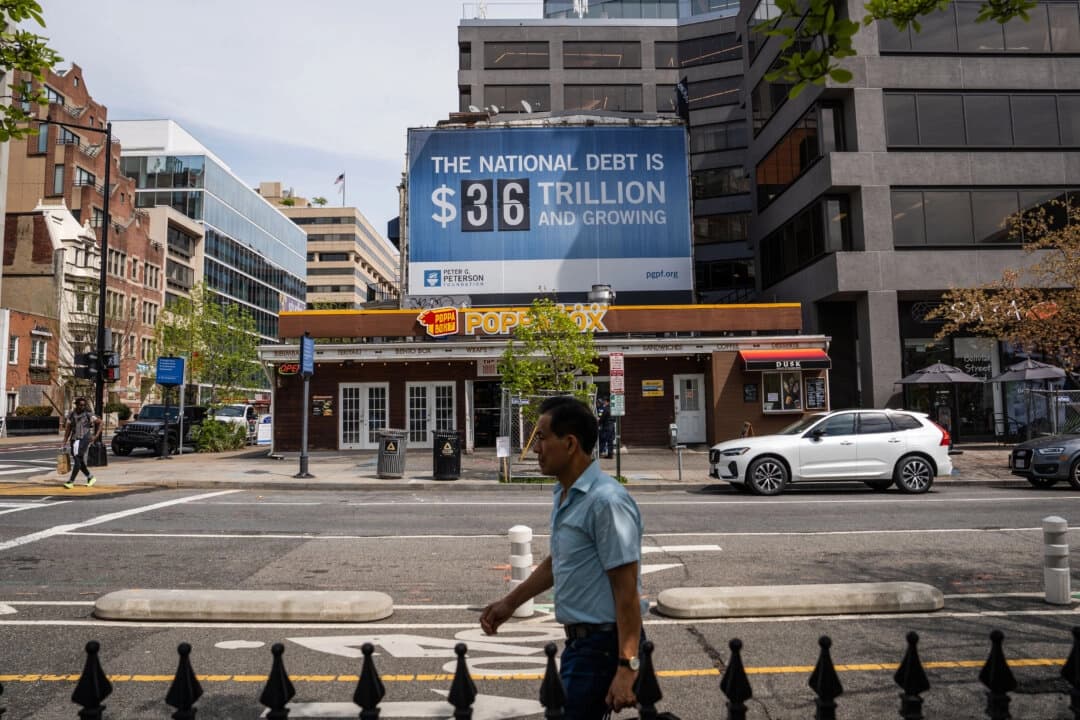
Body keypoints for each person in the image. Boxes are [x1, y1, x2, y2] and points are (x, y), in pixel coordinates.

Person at [481, 396, 647, 719]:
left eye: (542, 437)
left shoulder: (606, 502)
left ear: (570, 444)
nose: (535, 448)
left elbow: (627, 594)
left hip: (603, 646)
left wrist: (628, 666)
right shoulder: (565, 493)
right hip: (580, 645)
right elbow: (560, 561)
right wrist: (510, 603)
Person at [62, 397, 102, 489]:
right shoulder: (72, 414)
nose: (82, 407)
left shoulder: (88, 414)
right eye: (80, 405)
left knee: (78, 459)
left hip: (84, 438)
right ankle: (90, 477)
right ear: (76, 405)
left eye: (84, 405)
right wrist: (64, 441)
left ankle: (71, 481)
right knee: (79, 460)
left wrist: (95, 436)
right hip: (74, 439)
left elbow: (100, 423)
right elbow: (68, 428)